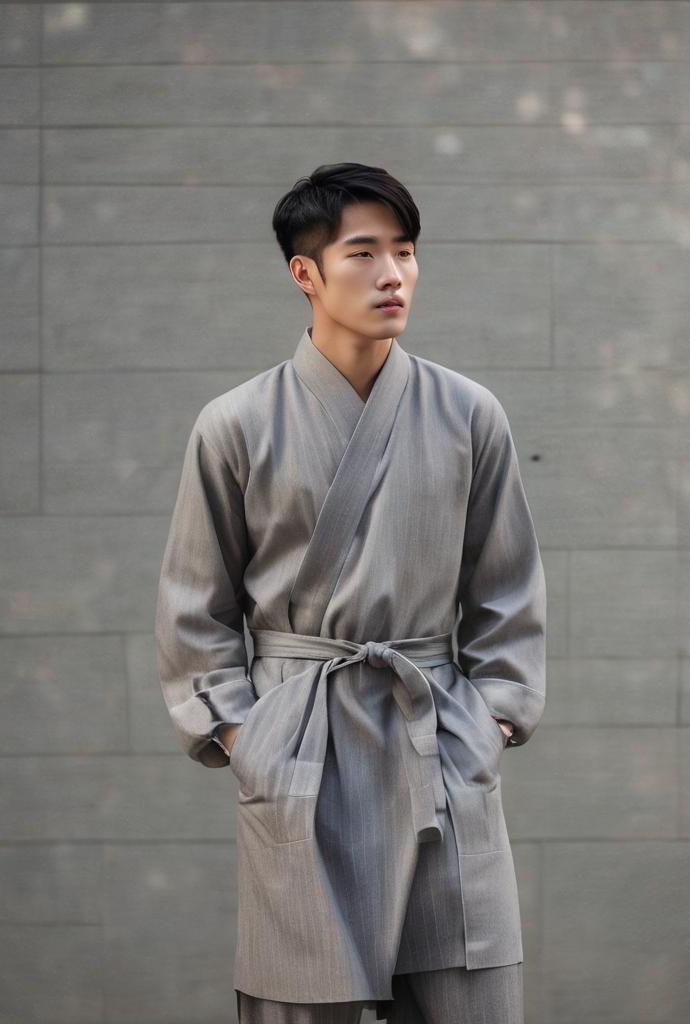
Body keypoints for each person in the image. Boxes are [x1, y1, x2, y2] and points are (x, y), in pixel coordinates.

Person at [154, 162, 546, 1023]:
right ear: (306, 273)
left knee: (468, 988)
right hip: (303, 740)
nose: (392, 274)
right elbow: (196, 606)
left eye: (404, 252)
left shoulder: (469, 413)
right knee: (303, 1001)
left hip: (433, 732)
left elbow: (505, 584)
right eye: (363, 253)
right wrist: (243, 733)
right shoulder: (236, 424)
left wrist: (493, 716)